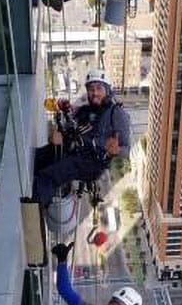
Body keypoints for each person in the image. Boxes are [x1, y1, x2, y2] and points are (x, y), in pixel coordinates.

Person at [33, 69, 131, 206]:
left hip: (92, 162)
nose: (95, 93)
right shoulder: (85, 110)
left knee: (49, 176)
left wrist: (116, 150)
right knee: (36, 157)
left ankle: (30, 213)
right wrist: (57, 133)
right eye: (91, 89)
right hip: (72, 150)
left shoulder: (116, 113)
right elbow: (67, 128)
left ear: (107, 90)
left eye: (99, 88)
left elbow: (127, 149)